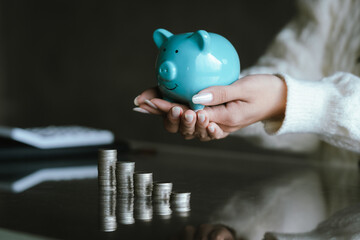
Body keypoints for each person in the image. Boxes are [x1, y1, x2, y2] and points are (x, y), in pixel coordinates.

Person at [135, 0, 360, 238]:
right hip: (325, 201)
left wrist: (282, 97)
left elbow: (291, 96)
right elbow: (295, 80)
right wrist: (233, 101)